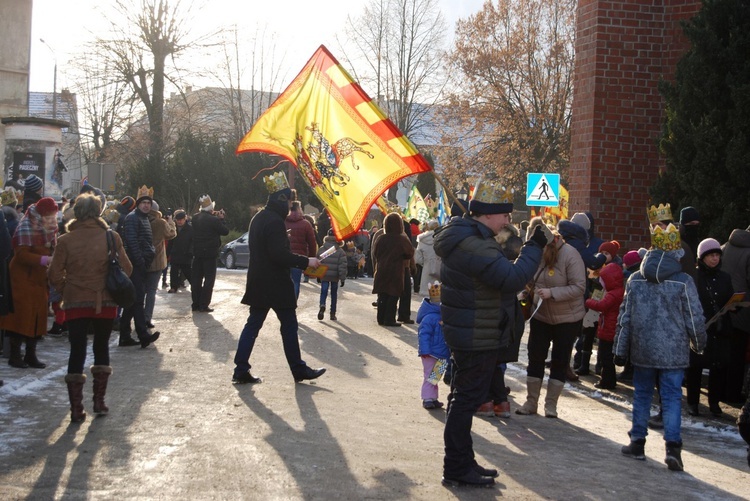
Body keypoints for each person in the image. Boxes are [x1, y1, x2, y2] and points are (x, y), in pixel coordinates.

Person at [433, 182, 550, 487]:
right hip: (475, 334)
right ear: (487, 215)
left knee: (463, 399)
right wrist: (533, 247)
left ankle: (462, 461)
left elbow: (499, 273)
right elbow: (511, 278)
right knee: (464, 402)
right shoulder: (475, 244)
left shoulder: (470, 239)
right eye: (504, 215)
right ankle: (457, 467)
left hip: (472, 331)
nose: (508, 221)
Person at [616, 219, 707, 472]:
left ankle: (637, 442)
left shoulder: (635, 279)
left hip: (643, 348)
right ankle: (673, 448)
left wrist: (620, 350)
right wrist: (699, 343)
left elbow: (626, 318)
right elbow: (694, 317)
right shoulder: (683, 281)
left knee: (642, 394)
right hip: (674, 351)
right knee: (671, 398)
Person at [232, 171, 326, 384]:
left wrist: (283, 239)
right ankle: (298, 369)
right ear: (282, 200)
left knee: (253, 326)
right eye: (290, 201)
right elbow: (279, 255)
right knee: (289, 327)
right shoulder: (274, 221)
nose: (291, 205)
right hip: (275, 283)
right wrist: (306, 261)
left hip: (258, 281)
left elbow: (268, 247)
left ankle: (240, 369)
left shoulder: (259, 217)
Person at [48, 193, 133, 423]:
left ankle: (76, 408)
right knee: (101, 346)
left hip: (75, 302)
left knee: (77, 350)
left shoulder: (65, 240)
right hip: (104, 302)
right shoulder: (110, 237)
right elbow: (127, 268)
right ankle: (99, 401)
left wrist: (67, 288)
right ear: (98, 212)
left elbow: (54, 274)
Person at [516, 218, 586, 418]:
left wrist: (552, 293)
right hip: (542, 314)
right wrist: (527, 291)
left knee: (560, 359)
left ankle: (551, 405)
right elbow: (529, 277)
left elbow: (579, 287)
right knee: (535, 356)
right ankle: (531, 402)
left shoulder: (571, 255)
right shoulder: (538, 253)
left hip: (567, 318)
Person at [0, 197, 58, 368]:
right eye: (50, 214)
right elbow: (21, 254)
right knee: (20, 317)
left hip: (39, 280)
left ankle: (31, 354)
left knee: (37, 317)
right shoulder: (26, 226)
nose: (52, 218)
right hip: (22, 279)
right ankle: (15, 354)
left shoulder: (49, 227)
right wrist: (44, 259)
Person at [686, 238, 734, 417]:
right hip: (700, 326)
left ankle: (714, 403)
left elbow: (728, 297)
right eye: (711, 255)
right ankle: (693, 402)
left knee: (718, 366)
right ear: (702, 257)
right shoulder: (694, 276)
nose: (715, 259)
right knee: (695, 366)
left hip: (720, 328)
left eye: (717, 255)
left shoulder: (725, 277)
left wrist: (734, 305)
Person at [119, 185, 160, 348]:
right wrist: (141, 262)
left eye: (148, 203)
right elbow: (132, 242)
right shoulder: (132, 218)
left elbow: (146, 241)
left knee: (133, 301)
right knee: (137, 301)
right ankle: (142, 334)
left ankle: (124, 335)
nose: (146, 205)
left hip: (142, 264)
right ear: (138, 204)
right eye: (143, 202)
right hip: (135, 265)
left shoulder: (143, 218)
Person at [720, 224, 750, 403]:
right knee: (738, 356)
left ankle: (720, 392)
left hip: (724, 308)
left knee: (724, 353)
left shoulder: (724, 246)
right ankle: (732, 395)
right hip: (743, 310)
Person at [584, 262, 624, 390]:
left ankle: (607, 381)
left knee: (605, 357)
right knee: (606, 357)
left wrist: (588, 301)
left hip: (608, 329)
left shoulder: (612, 294)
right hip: (612, 328)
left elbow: (601, 306)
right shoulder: (620, 291)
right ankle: (608, 379)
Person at [372, 213, 415, 327]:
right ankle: (389, 319)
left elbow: (375, 253)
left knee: (383, 294)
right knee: (393, 293)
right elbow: (409, 253)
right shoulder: (401, 239)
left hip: (382, 269)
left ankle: (380, 318)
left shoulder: (381, 238)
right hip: (395, 270)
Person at [191, 194, 229, 313]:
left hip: (197, 252)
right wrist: (222, 219)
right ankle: (204, 304)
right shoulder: (214, 220)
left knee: (196, 279)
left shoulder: (195, 218)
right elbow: (225, 231)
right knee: (209, 279)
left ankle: (195, 303)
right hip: (210, 253)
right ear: (211, 209)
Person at [417, 281, 450, 410]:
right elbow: (423, 335)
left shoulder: (443, 317)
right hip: (430, 354)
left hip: (442, 352)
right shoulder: (429, 318)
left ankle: (433, 397)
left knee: (435, 377)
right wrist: (424, 351)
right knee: (429, 376)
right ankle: (427, 398)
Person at [145, 201, 176, 326]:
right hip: (156, 260)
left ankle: (137, 318)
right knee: (151, 291)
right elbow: (171, 234)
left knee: (141, 291)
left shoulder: (140, 219)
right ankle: (147, 317)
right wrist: (171, 222)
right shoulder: (160, 222)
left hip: (141, 259)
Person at [285, 200, 317, 297]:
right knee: (295, 282)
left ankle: (284, 303)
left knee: (284, 282)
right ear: (299, 209)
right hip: (299, 259)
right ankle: (293, 304)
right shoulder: (306, 224)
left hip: (284, 258)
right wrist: (311, 258)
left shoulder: (282, 221)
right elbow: (312, 243)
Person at [317, 230, 347, 321]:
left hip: (324, 274)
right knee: (334, 294)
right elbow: (343, 265)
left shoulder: (322, 248)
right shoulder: (339, 250)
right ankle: (332, 313)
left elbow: (319, 262)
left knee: (324, 291)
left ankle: (322, 305)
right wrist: (342, 278)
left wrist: (318, 275)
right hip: (335, 276)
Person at [167, 209, 193, 293]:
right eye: (178, 220)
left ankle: (195, 286)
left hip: (186, 255)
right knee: (173, 271)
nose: (179, 222)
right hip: (175, 254)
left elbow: (192, 242)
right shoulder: (174, 228)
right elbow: (170, 242)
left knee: (188, 272)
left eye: (181, 220)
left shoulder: (190, 229)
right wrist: (167, 253)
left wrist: (190, 252)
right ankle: (173, 287)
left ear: (185, 219)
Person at [415, 220, 441, 297]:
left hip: (427, 270)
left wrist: (426, 263)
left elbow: (418, 259)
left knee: (427, 297)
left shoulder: (422, 240)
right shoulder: (442, 238)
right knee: (438, 297)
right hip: (439, 269)